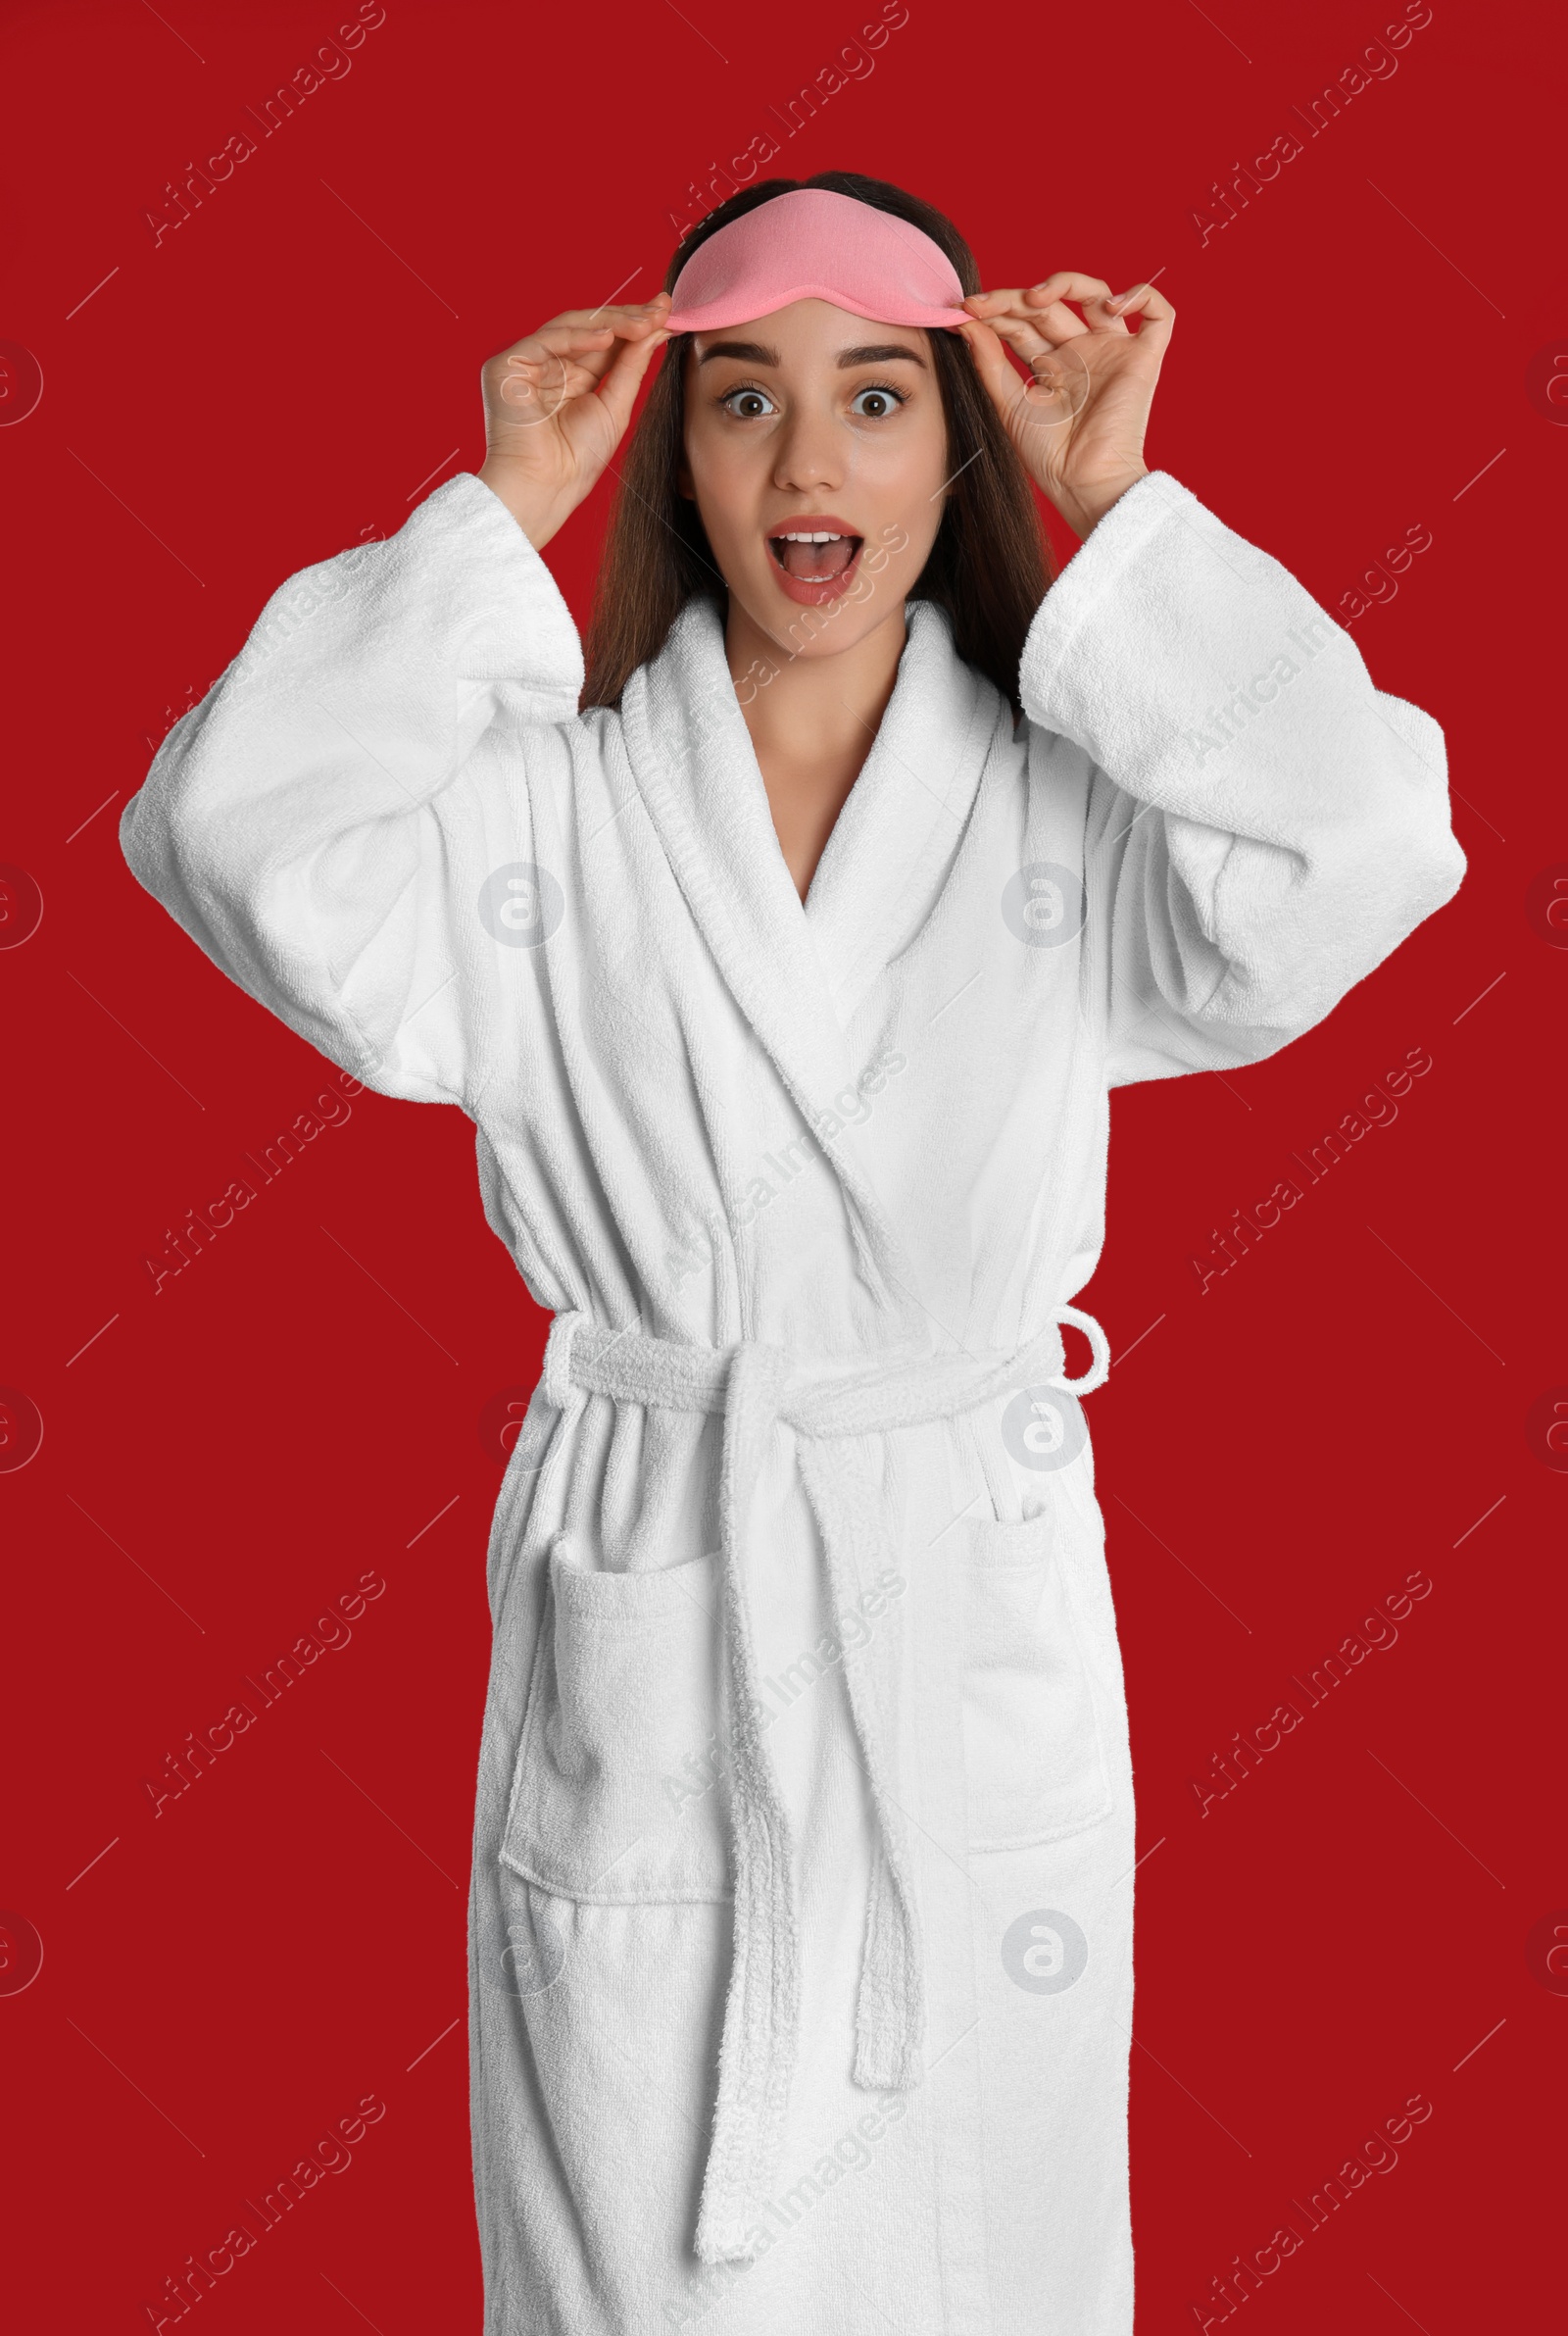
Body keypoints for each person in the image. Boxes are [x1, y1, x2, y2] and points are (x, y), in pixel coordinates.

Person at [119, 172, 1465, 2335]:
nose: (809, 460)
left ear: (957, 449)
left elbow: (1367, 837)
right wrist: (486, 517)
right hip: (669, 1582)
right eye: (742, 401)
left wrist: (1119, 514)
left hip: (964, 1610)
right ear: (676, 453)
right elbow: (220, 830)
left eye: (874, 399)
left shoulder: (1063, 821)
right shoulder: (539, 823)